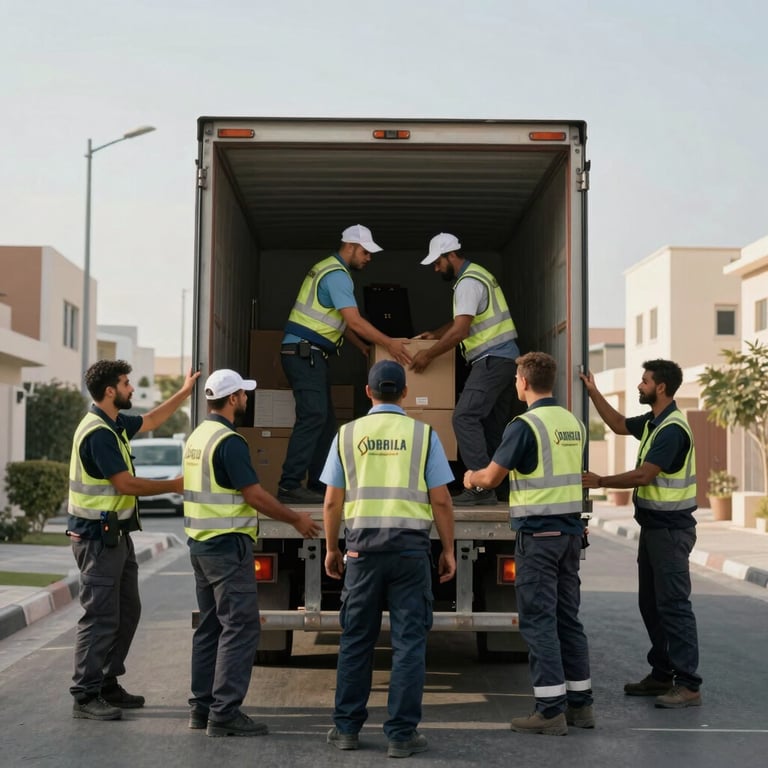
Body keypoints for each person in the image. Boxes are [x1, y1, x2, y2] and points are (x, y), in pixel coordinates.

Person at [321, 361, 456, 758]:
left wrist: (332, 547)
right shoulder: (423, 434)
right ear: (405, 393)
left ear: (368, 392)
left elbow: (332, 500)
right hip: (411, 552)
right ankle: (400, 734)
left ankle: (346, 729)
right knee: (409, 643)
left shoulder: (347, 435)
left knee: (356, 641)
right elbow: (442, 500)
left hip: (361, 552)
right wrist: (448, 549)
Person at [184, 368, 321, 736]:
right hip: (226, 546)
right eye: (243, 393)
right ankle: (224, 713)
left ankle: (201, 708)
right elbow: (254, 495)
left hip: (200, 544)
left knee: (211, 626)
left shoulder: (198, 436)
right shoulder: (230, 442)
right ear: (232, 400)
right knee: (242, 626)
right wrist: (296, 520)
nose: (247, 398)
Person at [465, 352, 593, 735]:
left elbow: (491, 478)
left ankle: (550, 711)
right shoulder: (573, 423)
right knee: (567, 620)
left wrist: (470, 477)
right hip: (570, 535)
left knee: (539, 623)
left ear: (521, 382)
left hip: (538, 538)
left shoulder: (524, 426)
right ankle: (581, 707)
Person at [67, 359, 201, 721]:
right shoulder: (98, 433)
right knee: (100, 617)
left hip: (116, 536)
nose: (130, 388)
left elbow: (153, 420)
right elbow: (125, 484)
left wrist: (185, 392)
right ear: (110, 391)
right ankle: (85, 693)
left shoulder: (113, 423)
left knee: (128, 611)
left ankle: (107, 683)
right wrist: (175, 485)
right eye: (126, 383)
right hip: (96, 539)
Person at [581, 359, 702, 708]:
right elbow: (618, 424)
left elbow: (643, 476)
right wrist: (592, 392)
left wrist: (601, 481)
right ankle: (662, 674)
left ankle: (689, 684)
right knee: (651, 604)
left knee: (674, 607)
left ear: (660, 387)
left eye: (644, 381)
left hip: (670, 532)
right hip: (653, 529)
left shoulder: (672, 430)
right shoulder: (653, 422)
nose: (639, 385)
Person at [278, 224, 412, 505]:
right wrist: (389, 343)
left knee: (325, 422)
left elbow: (339, 321)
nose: (368, 258)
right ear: (350, 247)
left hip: (309, 354)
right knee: (313, 416)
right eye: (365, 252)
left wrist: (362, 346)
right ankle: (290, 484)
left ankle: (316, 484)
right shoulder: (338, 275)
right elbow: (353, 320)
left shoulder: (328, 269)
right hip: (304, 353)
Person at [412, 232, 520, 506]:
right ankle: (500, 488)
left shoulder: (468, 283)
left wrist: (429, 355)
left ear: (450, 256)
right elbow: (464, 321)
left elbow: (461, 330)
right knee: (493, 427)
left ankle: (482, 489)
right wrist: (434, 334)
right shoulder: (478, 275)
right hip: (507, 361)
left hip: (491, 360)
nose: (436, 269)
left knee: (464, 417)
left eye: (437, 263)